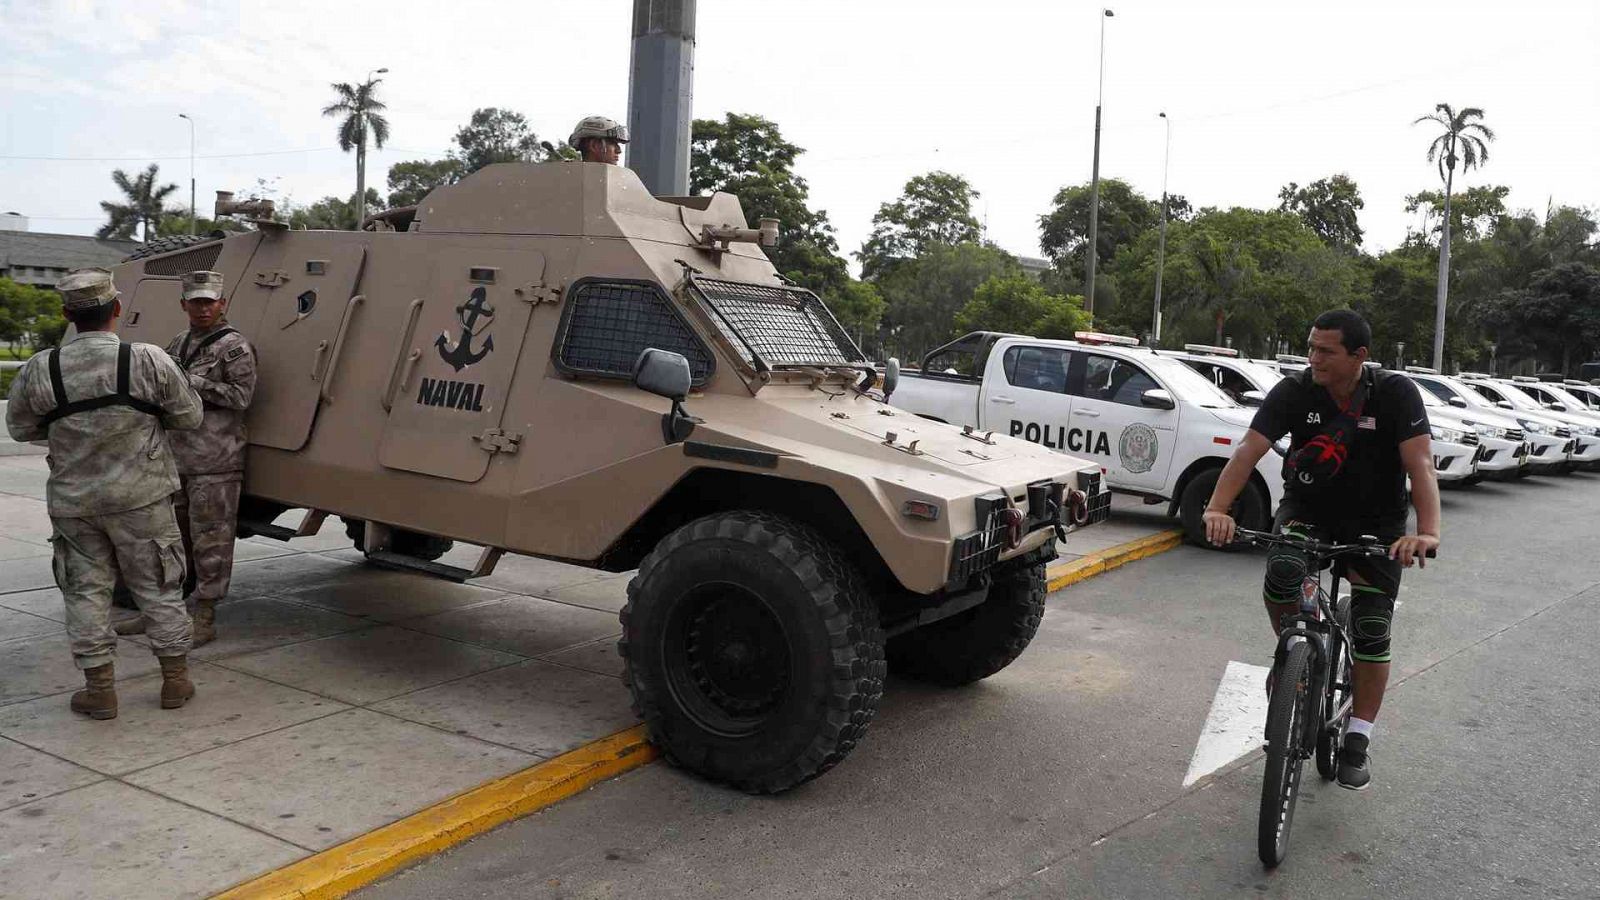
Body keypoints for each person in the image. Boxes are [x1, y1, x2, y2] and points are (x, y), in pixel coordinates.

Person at [1200, 309, 1441, 791]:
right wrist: (1217, 509)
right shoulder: (1296, 391)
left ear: (1359, 356)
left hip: (1377, 523)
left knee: (1372, 626)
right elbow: (1248, 449)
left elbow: (1420, 466)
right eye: (1311, 347)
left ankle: (1358, 737)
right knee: (1283, 569)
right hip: (1309, 508)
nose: (1313, 358)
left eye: (1325, 351)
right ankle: (1292, 649)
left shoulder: (1395, 394)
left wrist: (1427, 532)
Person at [4, 267, 203, 719]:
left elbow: (19, 428)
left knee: (86, 593)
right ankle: (174, 681)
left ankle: (100, 689)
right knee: (159, 588)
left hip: (75, 503)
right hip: (143, 499)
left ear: (66, 314)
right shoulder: (148, 360)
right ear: (117, 309)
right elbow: (189, 417)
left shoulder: (42, 366)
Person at [114, 270, 257, 646]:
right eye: (196, 301)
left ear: (222, 303)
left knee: (211, 540)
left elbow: (241, 397)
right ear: (184, 305)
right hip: (176, 459)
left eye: (209, 301)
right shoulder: (179, 342)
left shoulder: (234, 347)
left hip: (215, 460)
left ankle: (206, 615)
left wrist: (191, 383)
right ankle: (163, 611)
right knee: (169, 541)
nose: (203, 308)